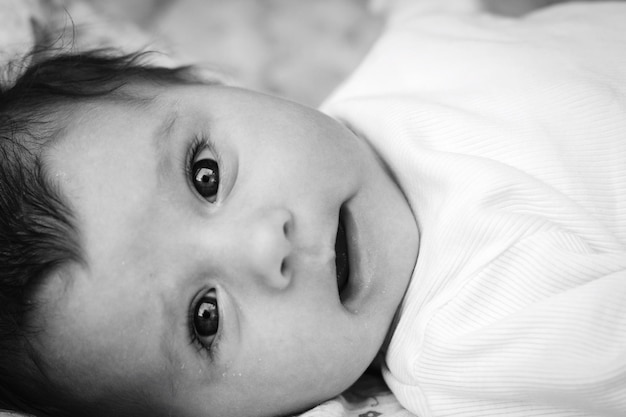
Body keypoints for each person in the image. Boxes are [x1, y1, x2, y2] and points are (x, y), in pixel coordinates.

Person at [1, 0, 625, 416]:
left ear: (212, 82)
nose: (264, 247)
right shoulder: (466, 353)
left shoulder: (399, 52)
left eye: (206, 174)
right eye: (206, 318)